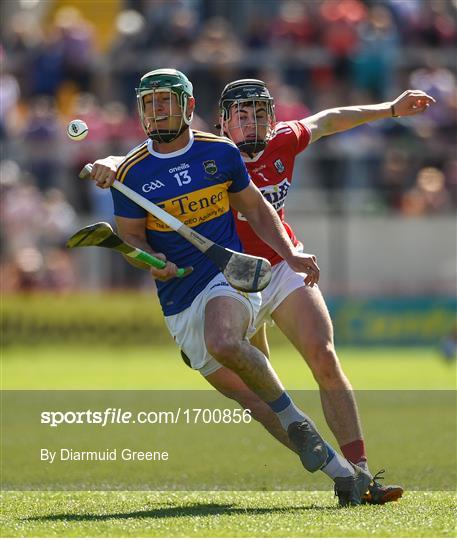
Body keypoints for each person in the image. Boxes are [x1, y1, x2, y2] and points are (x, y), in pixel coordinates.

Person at [90, 68, 372, 507]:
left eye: (166, 101)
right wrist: (148, 259)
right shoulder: (131, 172)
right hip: (179, 299)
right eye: (150, 103)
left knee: (225, 340)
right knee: (260, 404)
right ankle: (341, 474)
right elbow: (131, 237)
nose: (158, 110)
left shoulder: (219, 154)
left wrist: (291, 254)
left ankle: (359, 466)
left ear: (188, 107)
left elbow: (258, 212)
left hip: (229, 274)